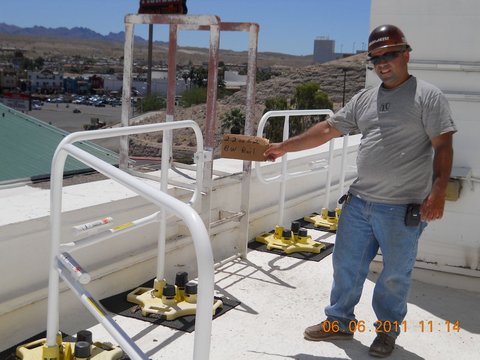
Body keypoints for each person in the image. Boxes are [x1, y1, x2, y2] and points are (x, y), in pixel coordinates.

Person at [264, 24, 456, 358]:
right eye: (376, 58)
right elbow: (327, 129)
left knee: (394, 277)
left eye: (390, 55)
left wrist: (438, 191)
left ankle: (386, 333)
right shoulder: (365, 98)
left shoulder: (428, 96)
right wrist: (284, 147)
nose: (383, 63)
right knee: (346, 267)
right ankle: (338, 321)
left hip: (402, 208)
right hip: (360, 203)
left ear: (406, 54)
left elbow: (443, 146)